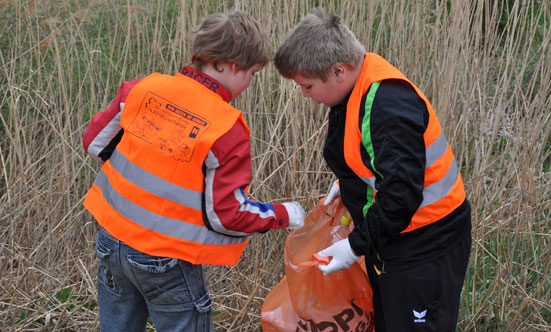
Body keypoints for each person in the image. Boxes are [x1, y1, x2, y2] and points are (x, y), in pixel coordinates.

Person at [82, 11, 305, 332]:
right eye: (252, 73)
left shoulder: (142, 88)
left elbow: (93, 143)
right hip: (167, 260)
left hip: (111, 241)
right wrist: (283, 214)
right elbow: (227, 215)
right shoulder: (226, 127)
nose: (250, 83)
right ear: (228, 65)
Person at [274, 8, 471, 332]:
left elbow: (401, 197)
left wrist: (354, 246)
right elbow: (369, 158)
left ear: (339, 70)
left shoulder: (387, 106)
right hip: (393, 241)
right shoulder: (353, 88)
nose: (305, 95)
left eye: (307, 86)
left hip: (426, 245)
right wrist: (349, 185)